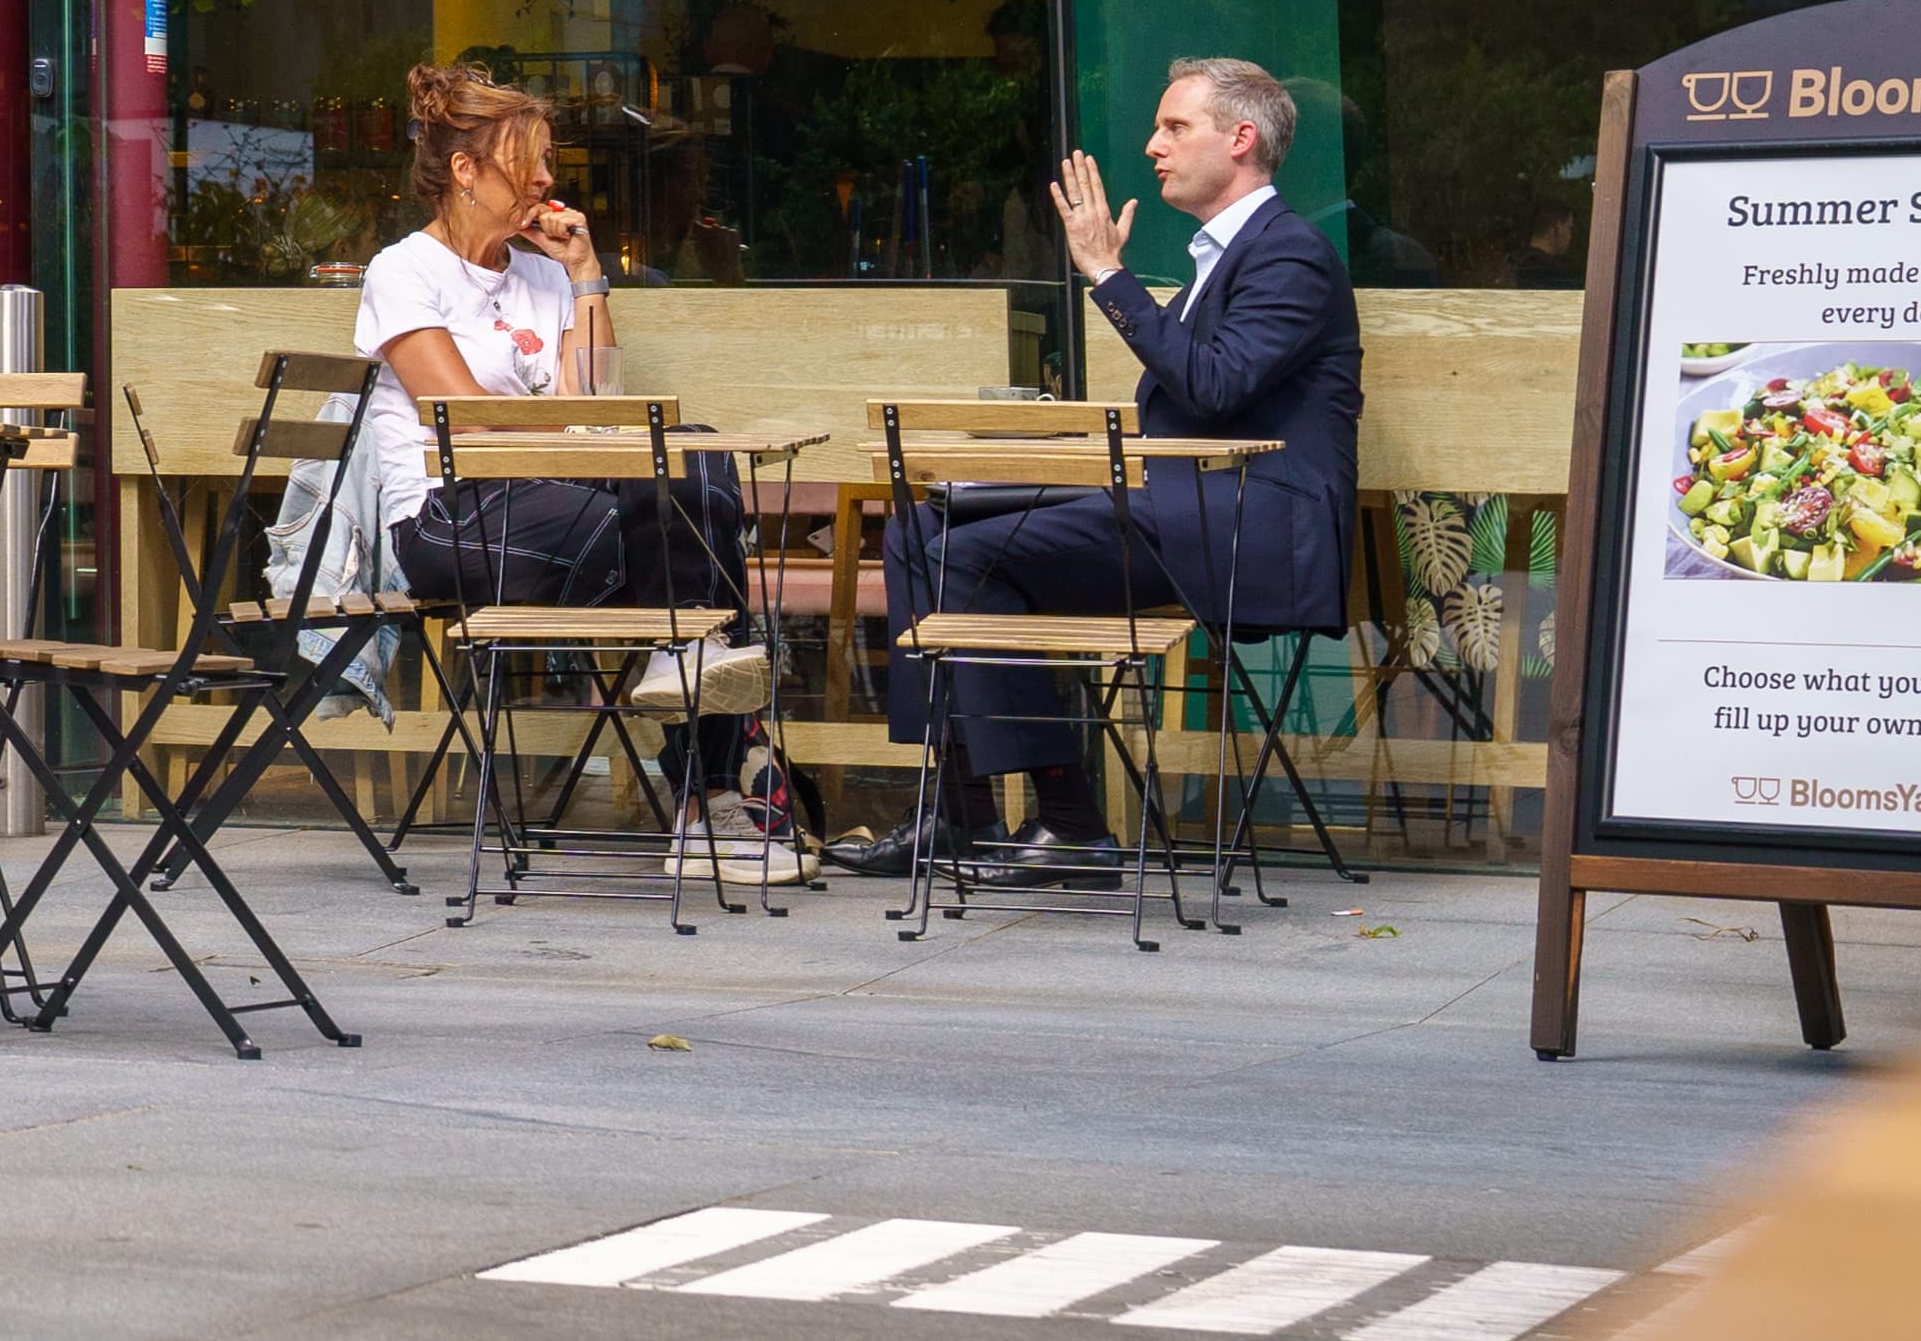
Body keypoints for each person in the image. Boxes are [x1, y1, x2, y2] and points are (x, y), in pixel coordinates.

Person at [833, 52, 1365, 876]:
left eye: (1174, 126)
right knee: (916, 527)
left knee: (968, 553)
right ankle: (956, 809)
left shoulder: (1288, 252)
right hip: (1189, 509)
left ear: (1240, 138)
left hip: (1255, 526)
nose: (1153, 145)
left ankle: (1071, 818)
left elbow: (1215, 386)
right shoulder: (1224, 256)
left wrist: (1108, 275)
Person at [338, 63, 782, 881]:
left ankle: (695, 733)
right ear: (465, 170)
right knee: (689, 529)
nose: (547, 179)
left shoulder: (541, 273)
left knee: (693, 453)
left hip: (550, 501)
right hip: (447, 517)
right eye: (527, 161)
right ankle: (711, 800)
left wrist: (584, 277)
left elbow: (595, 401)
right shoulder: (403, 271)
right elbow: (466, 419)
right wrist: (588, 442)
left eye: (548, 160)